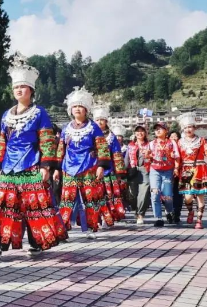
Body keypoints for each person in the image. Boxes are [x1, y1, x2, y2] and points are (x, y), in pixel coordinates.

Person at [0, 57, 67, 257]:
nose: (19, 90)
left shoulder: (39, 113)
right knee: (4, 206)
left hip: (31, 165)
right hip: (10, 167)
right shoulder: (6, 115)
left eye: (23, 86)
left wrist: (46, 166)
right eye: (16, 87)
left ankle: (37, 242)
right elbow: (2, 141)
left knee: (32, 206)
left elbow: (47, 140)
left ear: (31, 90)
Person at [58, 88, 113, 237]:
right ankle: (63, 229)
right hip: (69, 168)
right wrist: (57, 168)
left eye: (80, 106)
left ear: (86, 110)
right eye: (74, 106)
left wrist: (101, 166)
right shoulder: (66, 129)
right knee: (67, 200)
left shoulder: (93, 127)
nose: (77, 109)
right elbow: (60, 149)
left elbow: (102, 148)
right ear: (70, 109)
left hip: (88, 166)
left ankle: (90, 227)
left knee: (90, 199)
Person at [178, 112, 207, 229]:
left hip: (200, 169)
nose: (188, 129)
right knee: (188, 197)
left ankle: (199, 220)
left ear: (194, 128)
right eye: (185, 128)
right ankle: (191, 211)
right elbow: (177, 157)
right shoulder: (180, 142)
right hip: (186, 170)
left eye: (190, 127)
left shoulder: (201, 140)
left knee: (200, 195)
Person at [92, 108, 126, 223]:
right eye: (97, 120)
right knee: (96, 196)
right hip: (93, 170)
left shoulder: (111, 137)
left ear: (106, 122)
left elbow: (117, 154)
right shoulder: (90, 135)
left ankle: (108, 217)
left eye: (102, 120)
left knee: (109, 195)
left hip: (109, 170)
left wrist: (119, 172)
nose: (100, 122)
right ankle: (97, 217)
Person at [147, 121, 180, 227]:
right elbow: (147, 158)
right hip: (155, 171)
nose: (157, 130)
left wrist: (176, 168)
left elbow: (177, 157)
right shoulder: (151, 144)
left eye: (160, 128)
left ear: (166, 131)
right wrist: (147, 155)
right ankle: (158, 218)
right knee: (155, 194)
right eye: (156, 129)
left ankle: (169, 211)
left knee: (167, 196)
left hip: (168, 171)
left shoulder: (172, 143)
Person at [126, 125, 152, 225]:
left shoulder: (149, 145)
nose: (139, 133)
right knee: (133, 194)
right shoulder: (130, 145)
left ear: (145, 133)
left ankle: (141, 214)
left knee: (143, 193)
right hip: (132, 170)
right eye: (137, 131)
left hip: (145, 169)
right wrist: (123, 171)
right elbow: (127, 159)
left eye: (142, 131)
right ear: (135, 133)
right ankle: (136, 211)